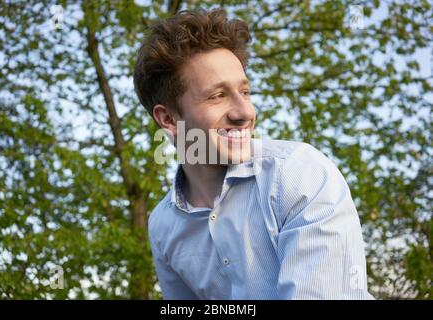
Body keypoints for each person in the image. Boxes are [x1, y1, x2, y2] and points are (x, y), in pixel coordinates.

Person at [134, 8, 373, 299]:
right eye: (217, 96)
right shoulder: (162, 225)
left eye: (245, 92)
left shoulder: (299, 175)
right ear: (169, 119)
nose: (245, 112)